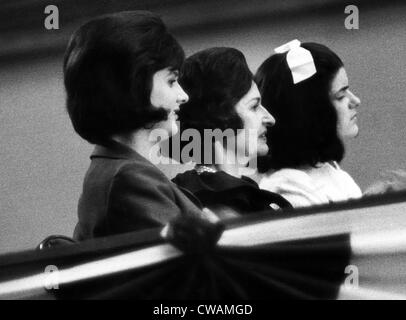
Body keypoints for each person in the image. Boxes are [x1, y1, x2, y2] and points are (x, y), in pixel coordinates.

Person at [64, 11, 220, 241]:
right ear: (133, 84)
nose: (183, 95)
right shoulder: (129, 179)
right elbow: (189, 271)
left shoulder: (116, 170)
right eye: (171, 81)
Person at [171, 47, 291, 219]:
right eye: (254, 107)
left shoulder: (240, 191)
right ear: (220, 117)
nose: (270, 119)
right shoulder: (211, 202)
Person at [255, 40, 362, 208]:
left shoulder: (329, 172)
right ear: (312, 111)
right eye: (340, 96)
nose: (356, 100)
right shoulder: (289, 191)